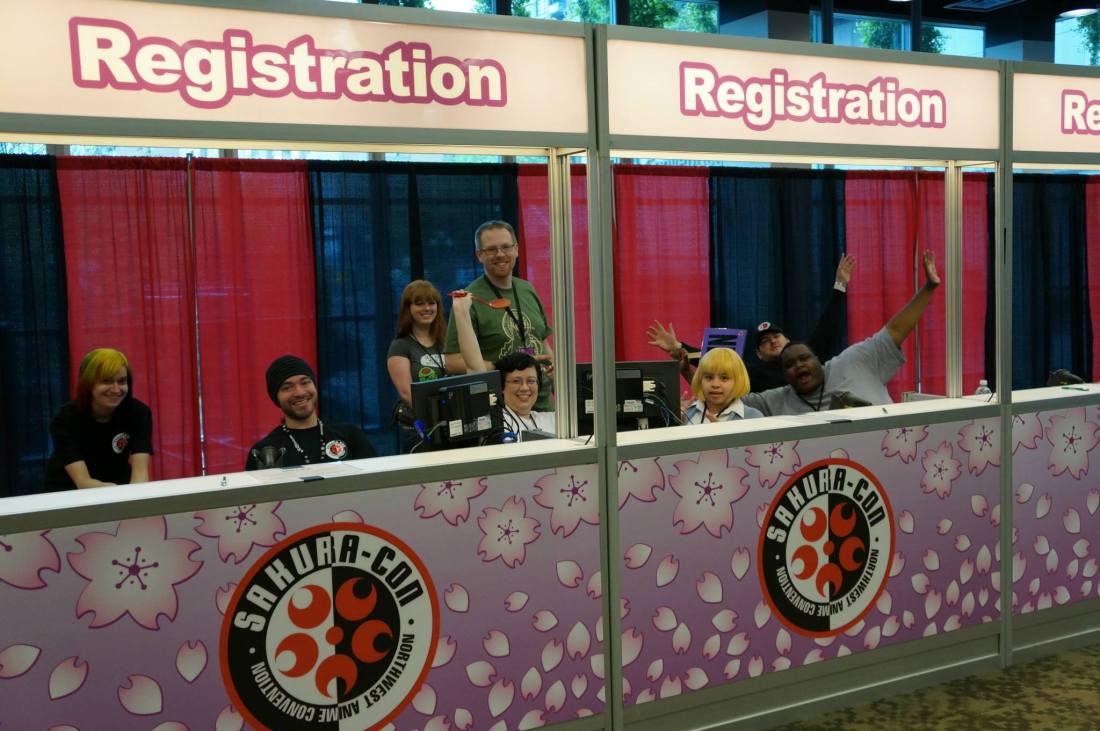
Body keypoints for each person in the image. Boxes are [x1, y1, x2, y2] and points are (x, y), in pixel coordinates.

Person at [742, 251, 941, 416]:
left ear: (818, 358)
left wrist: (929, 288)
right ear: (784, 375)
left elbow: (896, 330)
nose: (799, 365)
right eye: (789, 365)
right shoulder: (771, 397)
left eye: (804, 358)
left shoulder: (855, 360)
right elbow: (720, 395)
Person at [647, 254, 856, 392]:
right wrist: (678, 347)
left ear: (789, 340)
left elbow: (828, 327)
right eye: (765, 341)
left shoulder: (808, 357)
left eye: (776, 336)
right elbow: (715, 360)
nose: (773, 341)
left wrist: (840, 285)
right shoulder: (750, 373)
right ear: (759, 354)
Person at [444, 220, 554, 411]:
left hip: (543, 407)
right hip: (502, 411)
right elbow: (452, 362)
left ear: (516, 249)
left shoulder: (528, 289)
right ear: (479, 255)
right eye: (492, 249)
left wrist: (554, 371)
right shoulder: (469, 300)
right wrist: (500, 366)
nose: (500, 254)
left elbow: (542, 340)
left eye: (506, 247)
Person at [46, 348, 153, 490]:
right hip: (68, 493)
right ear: (88, 384)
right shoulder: (65, 419)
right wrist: (121, 498)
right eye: (106, 381)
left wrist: (135, 500)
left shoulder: (139, 412)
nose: (116, 389)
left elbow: (140, 476)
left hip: (119, 487)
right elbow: (83, 482)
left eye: (121, 381)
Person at [246, 355, 376, 469]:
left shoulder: (350, 435)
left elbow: (376, 483)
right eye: (287, 388)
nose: (299, 392)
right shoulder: (264, 451)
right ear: (276, 398)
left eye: (305, 382)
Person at [683, 348, 763, 424]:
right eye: (709, 377)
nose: (715, 385)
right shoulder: (687, 413)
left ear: (738, 381)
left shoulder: (754, 418)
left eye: (724, 378)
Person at [496, 352, 556, 439]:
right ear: (501, 386)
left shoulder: (552, 420)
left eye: (531, 381)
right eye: (516, 381)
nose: (524, 388)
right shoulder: (496, 425)